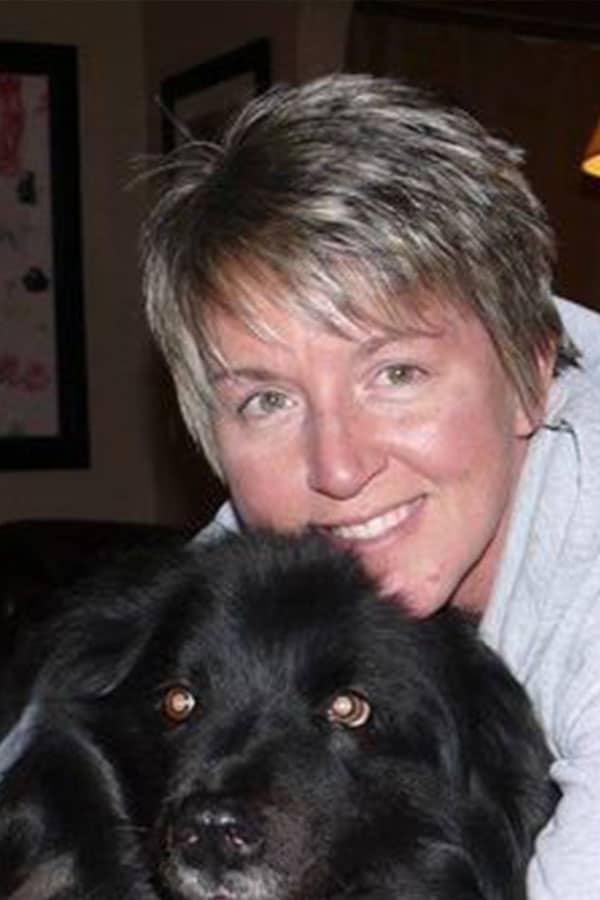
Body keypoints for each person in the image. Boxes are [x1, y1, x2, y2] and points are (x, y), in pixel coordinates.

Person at [141, 74, 600, 898]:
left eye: (396, 373)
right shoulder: (280, 549)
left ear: (535, 371)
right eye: (268, 399)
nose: (339, 469)